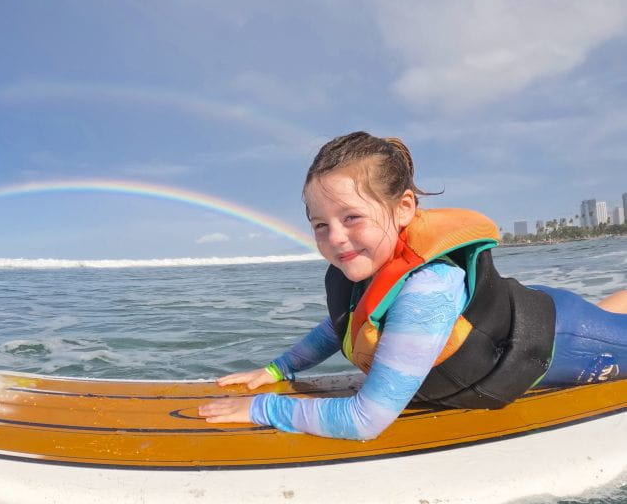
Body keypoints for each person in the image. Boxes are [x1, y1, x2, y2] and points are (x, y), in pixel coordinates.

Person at [198, 131, 627, 440]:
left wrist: (261, 408)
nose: (336, 238)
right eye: (320, 225)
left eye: (352, 217)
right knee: (607, 311)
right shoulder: (369, 274)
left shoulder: (428, 290)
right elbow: (340, 328)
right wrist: (278, 369)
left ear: (404, 208)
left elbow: (364, 421)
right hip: (544, 313)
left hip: (563, 337)